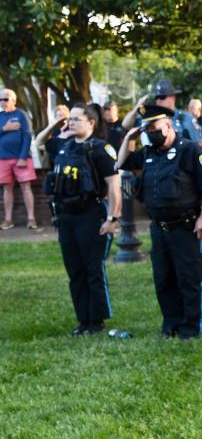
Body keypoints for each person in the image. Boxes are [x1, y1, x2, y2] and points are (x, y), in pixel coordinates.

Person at [117, 105, 202, 339]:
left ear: (168, 126)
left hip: (187, 226)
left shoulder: (190, 150)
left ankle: (191, 329)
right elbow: (122, 163)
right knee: (164, 279)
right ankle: (170, 325)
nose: (150, 133)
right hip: (160, 228)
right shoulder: (150, 153)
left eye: (154, 128)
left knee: (190, 279)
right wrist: (129, 138)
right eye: (146, 129)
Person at [45, 103, 121, 336]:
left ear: (91, 123)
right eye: (70, 119)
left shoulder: (101, 149)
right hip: (66, 216)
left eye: (76, 119)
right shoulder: (64, 146)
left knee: (92, 268)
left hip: (91, 213)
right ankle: (83, 320)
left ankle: (96, 321)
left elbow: (114, 186)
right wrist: (57, 123)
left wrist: (112, 218)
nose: (71, 122)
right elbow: (39, 142)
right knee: (75, 270)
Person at [122, 79, 202, 145]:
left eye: (162, 97)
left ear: (172, 98)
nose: (158, 100)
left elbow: (199, 146)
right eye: (156, 97)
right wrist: (137, 108)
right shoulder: (151, 119)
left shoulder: (186, 118)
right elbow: (126, 125)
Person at [0, 88, 37, 230]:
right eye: (0, 99)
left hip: (22, 159)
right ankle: (8, 220)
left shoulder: (21, 115)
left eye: (5, 99)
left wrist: (22, 157)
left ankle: (31, 219)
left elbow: (27, 136)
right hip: (2, 159)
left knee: (26, 187)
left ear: (13, 100)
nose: (2, 102)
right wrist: (5, 128)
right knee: (7, 189)